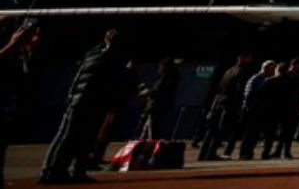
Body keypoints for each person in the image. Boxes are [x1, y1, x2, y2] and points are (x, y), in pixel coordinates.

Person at [41, 29, 134, 184]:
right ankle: (53, 171)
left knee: (78, 138)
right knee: (70, 137)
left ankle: (69, 171)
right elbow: (108, 83)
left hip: (85, 101)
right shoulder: (109, 58)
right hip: (87, 102)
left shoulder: (95, 54)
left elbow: (82, 77)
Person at [1, 17, 41, 177]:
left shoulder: (17, 51)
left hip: (7, 98)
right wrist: (12, 44)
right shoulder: (10, 45)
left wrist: (27, 47)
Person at [198, 51, 254, 161]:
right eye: (248, 58)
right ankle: (210, 154)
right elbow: (239, 91)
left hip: (219, 103)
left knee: (211, 130)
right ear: (243, 58)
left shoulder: (229, 70)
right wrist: (240, 107)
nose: (250, 60)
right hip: (229, 105)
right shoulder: (241, 72)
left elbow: (220, 88)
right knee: (219, 131)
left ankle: (203, 154)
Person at [137, 58, 180, 141]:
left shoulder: (166, 80)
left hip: (157, 107)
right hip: (158, 107)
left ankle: (149, 148)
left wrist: (148, 92)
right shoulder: (169, 79)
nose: (158, 69)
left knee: (152, 130)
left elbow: (159, 91)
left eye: (160, 67)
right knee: (148, 130)